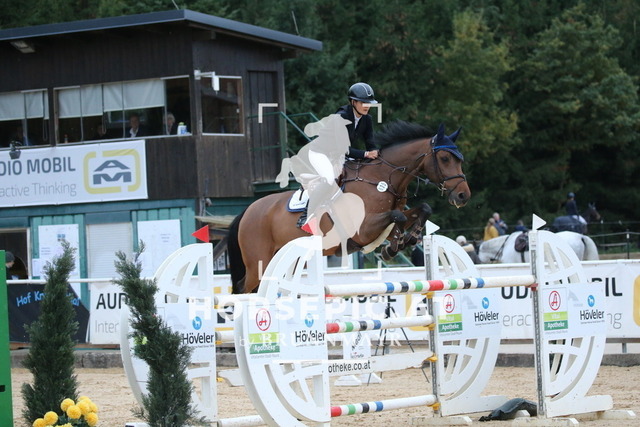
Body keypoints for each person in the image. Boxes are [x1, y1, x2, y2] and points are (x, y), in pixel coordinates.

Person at [336, 82, 379, 160]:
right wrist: (366, 154)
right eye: (363, 102)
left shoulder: (367, 119)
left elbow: (370, 144)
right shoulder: (341, 117)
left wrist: (376, 152)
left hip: (340, 156)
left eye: (369, 103)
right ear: (353, 102)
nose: (367, 106)